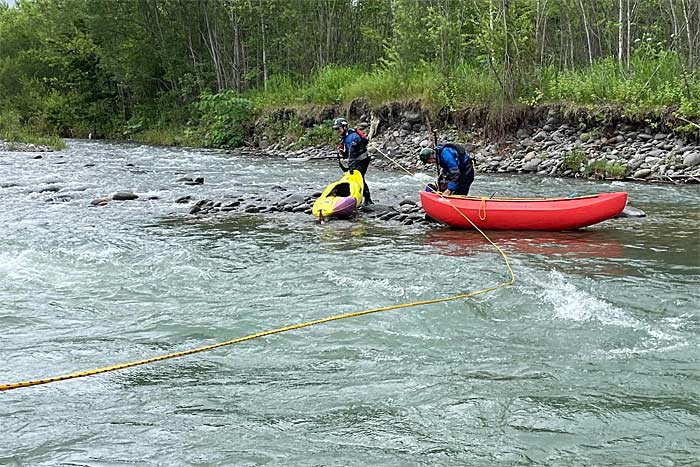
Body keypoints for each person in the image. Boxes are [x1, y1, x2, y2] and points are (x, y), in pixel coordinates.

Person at [333, 117, 373, 205]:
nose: (337, 131)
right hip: (356, 159)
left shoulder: (352, 136)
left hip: (362, 159)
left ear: (344, 127)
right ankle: (361, 197)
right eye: (336, 129)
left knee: (359, 177)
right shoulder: (346, 136)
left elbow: (352, 152)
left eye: (338, 128)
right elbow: (348, 153)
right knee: (357, 178)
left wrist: (350, 165)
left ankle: (367, 199)